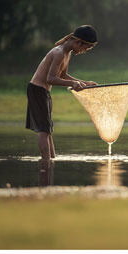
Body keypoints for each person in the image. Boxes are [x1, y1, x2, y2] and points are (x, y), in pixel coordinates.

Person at [26, 25, 98, 161]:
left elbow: (63, 75)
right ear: (78, 42)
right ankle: (46, 162)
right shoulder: (59, 53)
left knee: (48, 129)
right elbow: (50, 78)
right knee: (44, 129)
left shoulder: (67, 53)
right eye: (84, 48)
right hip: (37, 90)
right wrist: (73, 84)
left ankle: (51, 160)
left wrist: (84, 82)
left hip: (43, 91)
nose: (83, 51)